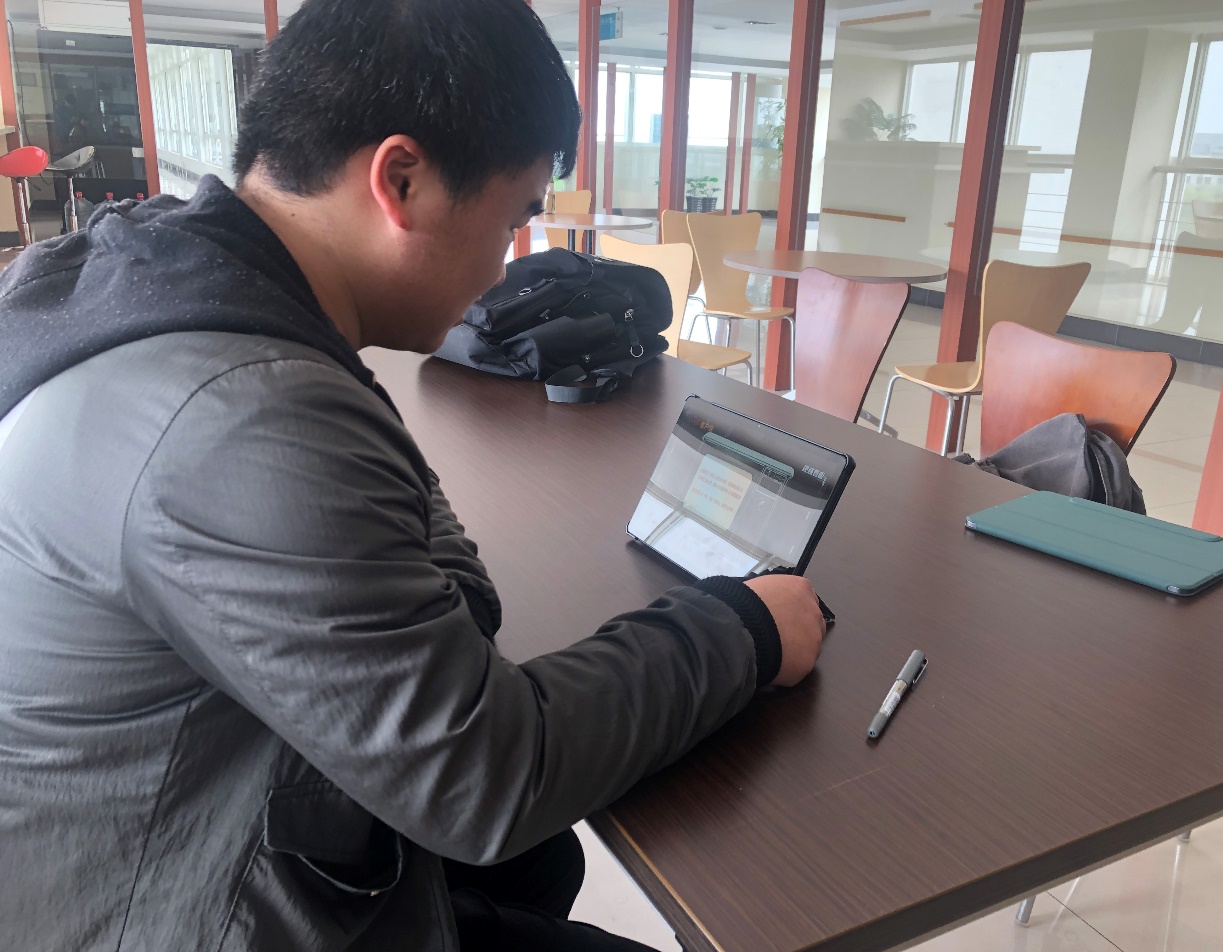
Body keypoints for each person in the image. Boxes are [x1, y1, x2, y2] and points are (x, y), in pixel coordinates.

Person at [0, 1, 827, 950]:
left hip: (148, 826)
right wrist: (743, 630)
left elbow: (459, 610)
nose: (503, 269)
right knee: (530, 843)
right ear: (402, 180)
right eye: (512, 218)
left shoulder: (172, 286)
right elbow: (482, 779)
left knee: (540, 863)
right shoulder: (247, 412)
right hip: (153, 905)